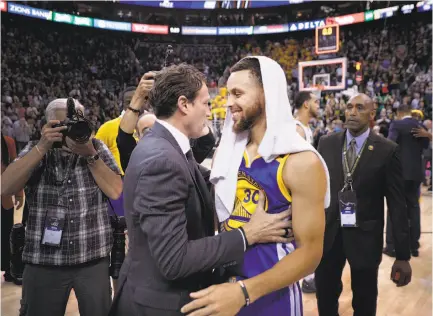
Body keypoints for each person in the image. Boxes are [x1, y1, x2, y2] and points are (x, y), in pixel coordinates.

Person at [109, 63, 292, 316]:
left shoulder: (166, 146)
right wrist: (246, 235)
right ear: (184, 105)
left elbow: (202, 181)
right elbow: (175, 261)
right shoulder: (161, 160)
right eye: (206, 103)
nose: (211, 110)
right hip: (160, 305)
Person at [182, 56, 330, 316]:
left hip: (273, 299)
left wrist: (245, 292)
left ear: (267, 94)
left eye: (238, 93)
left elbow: (310, 254)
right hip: (224, 291)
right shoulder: (225, 156)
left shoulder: (300, 162)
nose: (229, 103)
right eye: (228, 94)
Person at [1, 98, 123, 316]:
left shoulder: (96, 148)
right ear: (47, 126)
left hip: (92, 259)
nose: (68, 132)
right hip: (44, 261)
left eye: (73, 124)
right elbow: (5, 187)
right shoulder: (35, 149)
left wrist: (89, 155)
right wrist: (42, 147)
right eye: (61, 126)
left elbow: (115, 191)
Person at [315, 93, 412, 316]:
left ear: (372, 113)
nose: (352, 112)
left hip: (366, 238)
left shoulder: (387, 150)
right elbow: (316, 191)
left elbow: (398, 205)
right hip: (329, 236)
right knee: (325, 296)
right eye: (349, 107)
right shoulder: (327, 143)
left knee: (365, 301)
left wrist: (403, 256)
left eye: (360, 107)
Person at [116, 72, 216, 172]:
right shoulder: (136, 161)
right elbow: (123, 138)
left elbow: (207, 140)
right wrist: (138, 96)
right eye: (147, 131)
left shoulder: (182, 159)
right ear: (138, 136)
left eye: (159, 127)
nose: (155, 132)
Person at [384, 104, 430, 257]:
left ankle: (391, 246)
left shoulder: (397, 124)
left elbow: (390, 145)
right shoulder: (420, 125)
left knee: (394, 208)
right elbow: (425, 146)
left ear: (399, 113)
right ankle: (413, 246)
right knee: (413, 207)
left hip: (399, 174)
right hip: (415, 174)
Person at [293, 91, 321, 294]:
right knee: (303, 236)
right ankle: (305, 278)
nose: (318, 105)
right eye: (315, 101)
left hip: (305, 190)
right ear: (305, 104)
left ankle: (308, 276)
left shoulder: (305, 128)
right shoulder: (296, 129)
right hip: (297, 192)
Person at [1, 133, 24, 285]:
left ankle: (9, 268)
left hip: (4, 195)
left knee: (7, 232)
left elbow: (14, 169)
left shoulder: (7, 141)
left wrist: (19, 193)